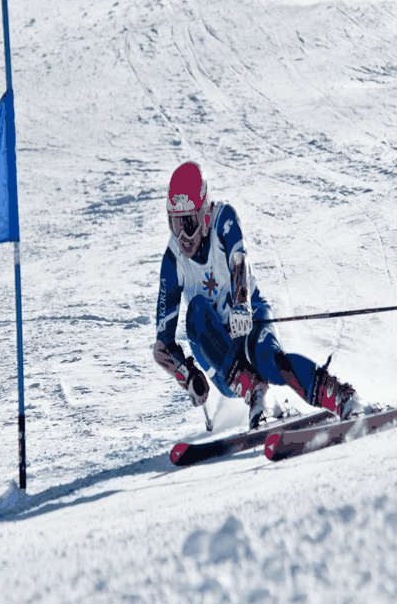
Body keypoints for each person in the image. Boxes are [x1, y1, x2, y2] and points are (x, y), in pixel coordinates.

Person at [152, 161, 379, 429]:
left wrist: (241, 303)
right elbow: (162, 345)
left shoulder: (223, 218)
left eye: (187, 223)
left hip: (249, 319)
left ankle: (343, 397)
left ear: (204, 214)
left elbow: (239, 258)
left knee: (270, 360)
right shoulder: (173, 261)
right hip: (218, 352)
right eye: (174, 224)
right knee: (197, 310)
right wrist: (187, 374)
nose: (182, 237)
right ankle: (257, 394)